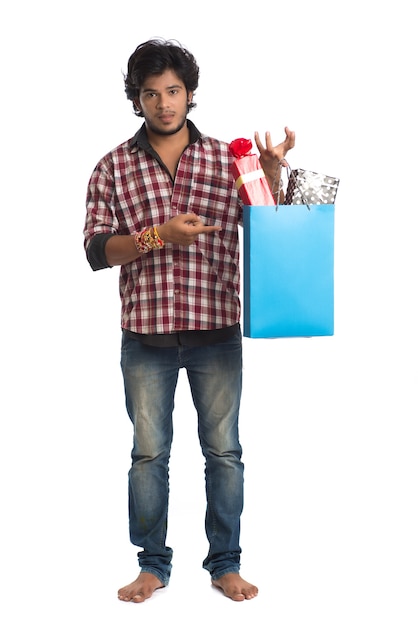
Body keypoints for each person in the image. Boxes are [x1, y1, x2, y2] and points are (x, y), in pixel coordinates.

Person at [83, 37, 295, 603]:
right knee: (149, 453)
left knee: (223, 451)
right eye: (151, 94)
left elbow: (270, 226)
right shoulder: (112, 168)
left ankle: (225, 563)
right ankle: (152, 565)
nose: (164, 103)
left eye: (173, 91)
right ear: (137, 100)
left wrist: (271, 174)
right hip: (145, 335)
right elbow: (97, 250)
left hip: (216, 332)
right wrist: (158, 236)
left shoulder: (231, 158)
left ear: (190, 93)